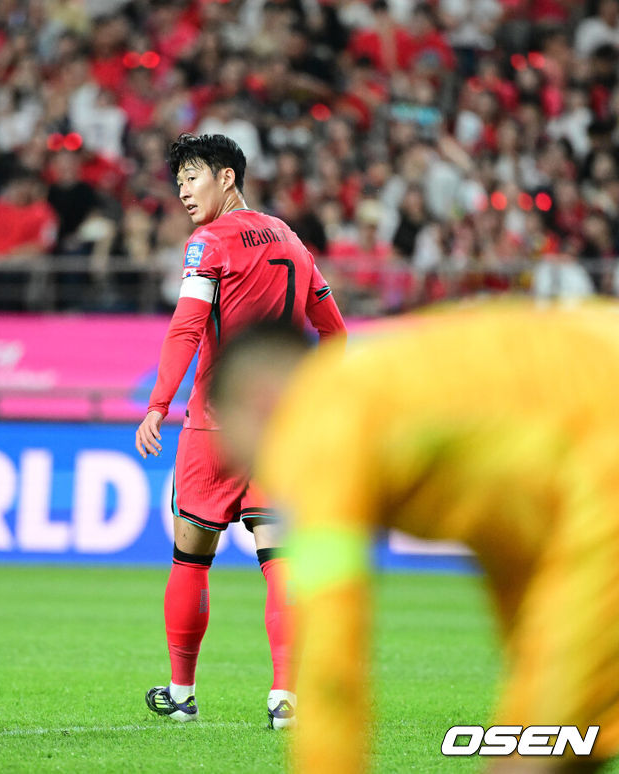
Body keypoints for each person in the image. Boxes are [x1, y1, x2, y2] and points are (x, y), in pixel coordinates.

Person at [209, 306, 619, 773]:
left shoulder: (318, 422)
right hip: (592, 430)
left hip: (604, 468)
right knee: (561, 741)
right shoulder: (385, 385)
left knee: (532, 753)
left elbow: (332, 650)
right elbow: (519, 539)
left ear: (258, 400)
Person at [134, 133, 347, 728]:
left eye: (193, 177)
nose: (183, 192)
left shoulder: (209, 244)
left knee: (190, 558)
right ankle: (286, 701)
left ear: (227, 177)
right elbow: (334, 333)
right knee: (280, 562)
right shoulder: (292, 240)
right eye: (178, 182)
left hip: (216, 425)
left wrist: (157, 404)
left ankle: (181, 692)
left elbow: (185, 329)